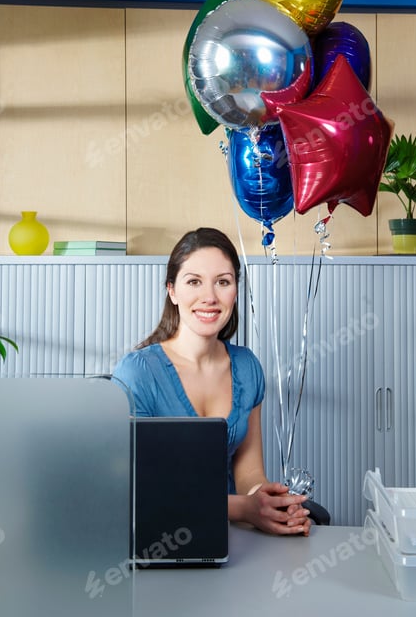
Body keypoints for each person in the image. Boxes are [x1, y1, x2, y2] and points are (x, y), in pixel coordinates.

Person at [113, 227, 312, 536]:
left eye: (223, 282)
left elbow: (249, 474)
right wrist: (244, 508)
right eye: (194, 282)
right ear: (172, 291)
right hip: (158, 538)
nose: (209, 297)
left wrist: (271, 504)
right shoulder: (137, 373)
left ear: (235, 290)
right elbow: (140, 489)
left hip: (230, 535)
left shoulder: (247, 367)